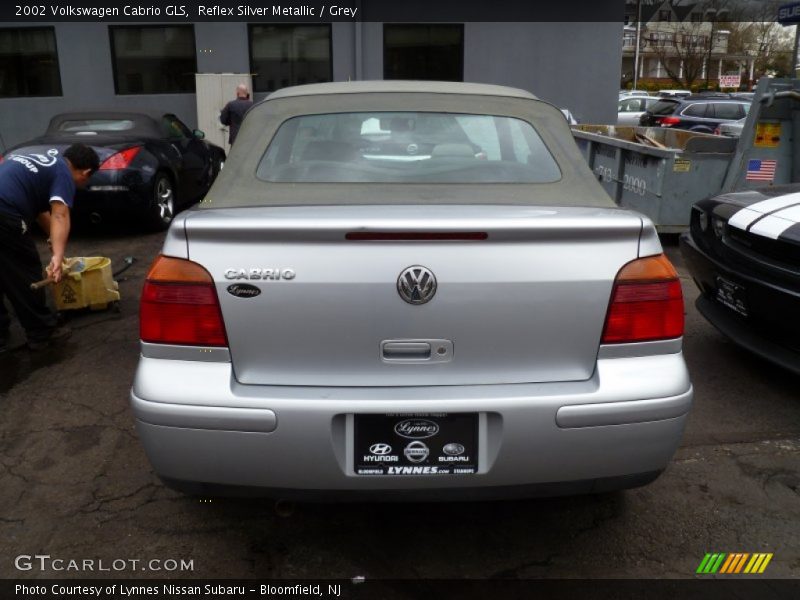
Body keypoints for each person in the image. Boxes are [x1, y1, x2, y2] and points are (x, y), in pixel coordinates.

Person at [0, 143, 99, 352]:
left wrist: (55, 244)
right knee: (25, 270)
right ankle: (41, 331)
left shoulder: (45, 159)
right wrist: (58, 256)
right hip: (5, 210)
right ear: (86, 172)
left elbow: (40, 212)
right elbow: (60, 214)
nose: (81, 185)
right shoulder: (63, 173)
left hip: (5, 204)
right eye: (86, 180)